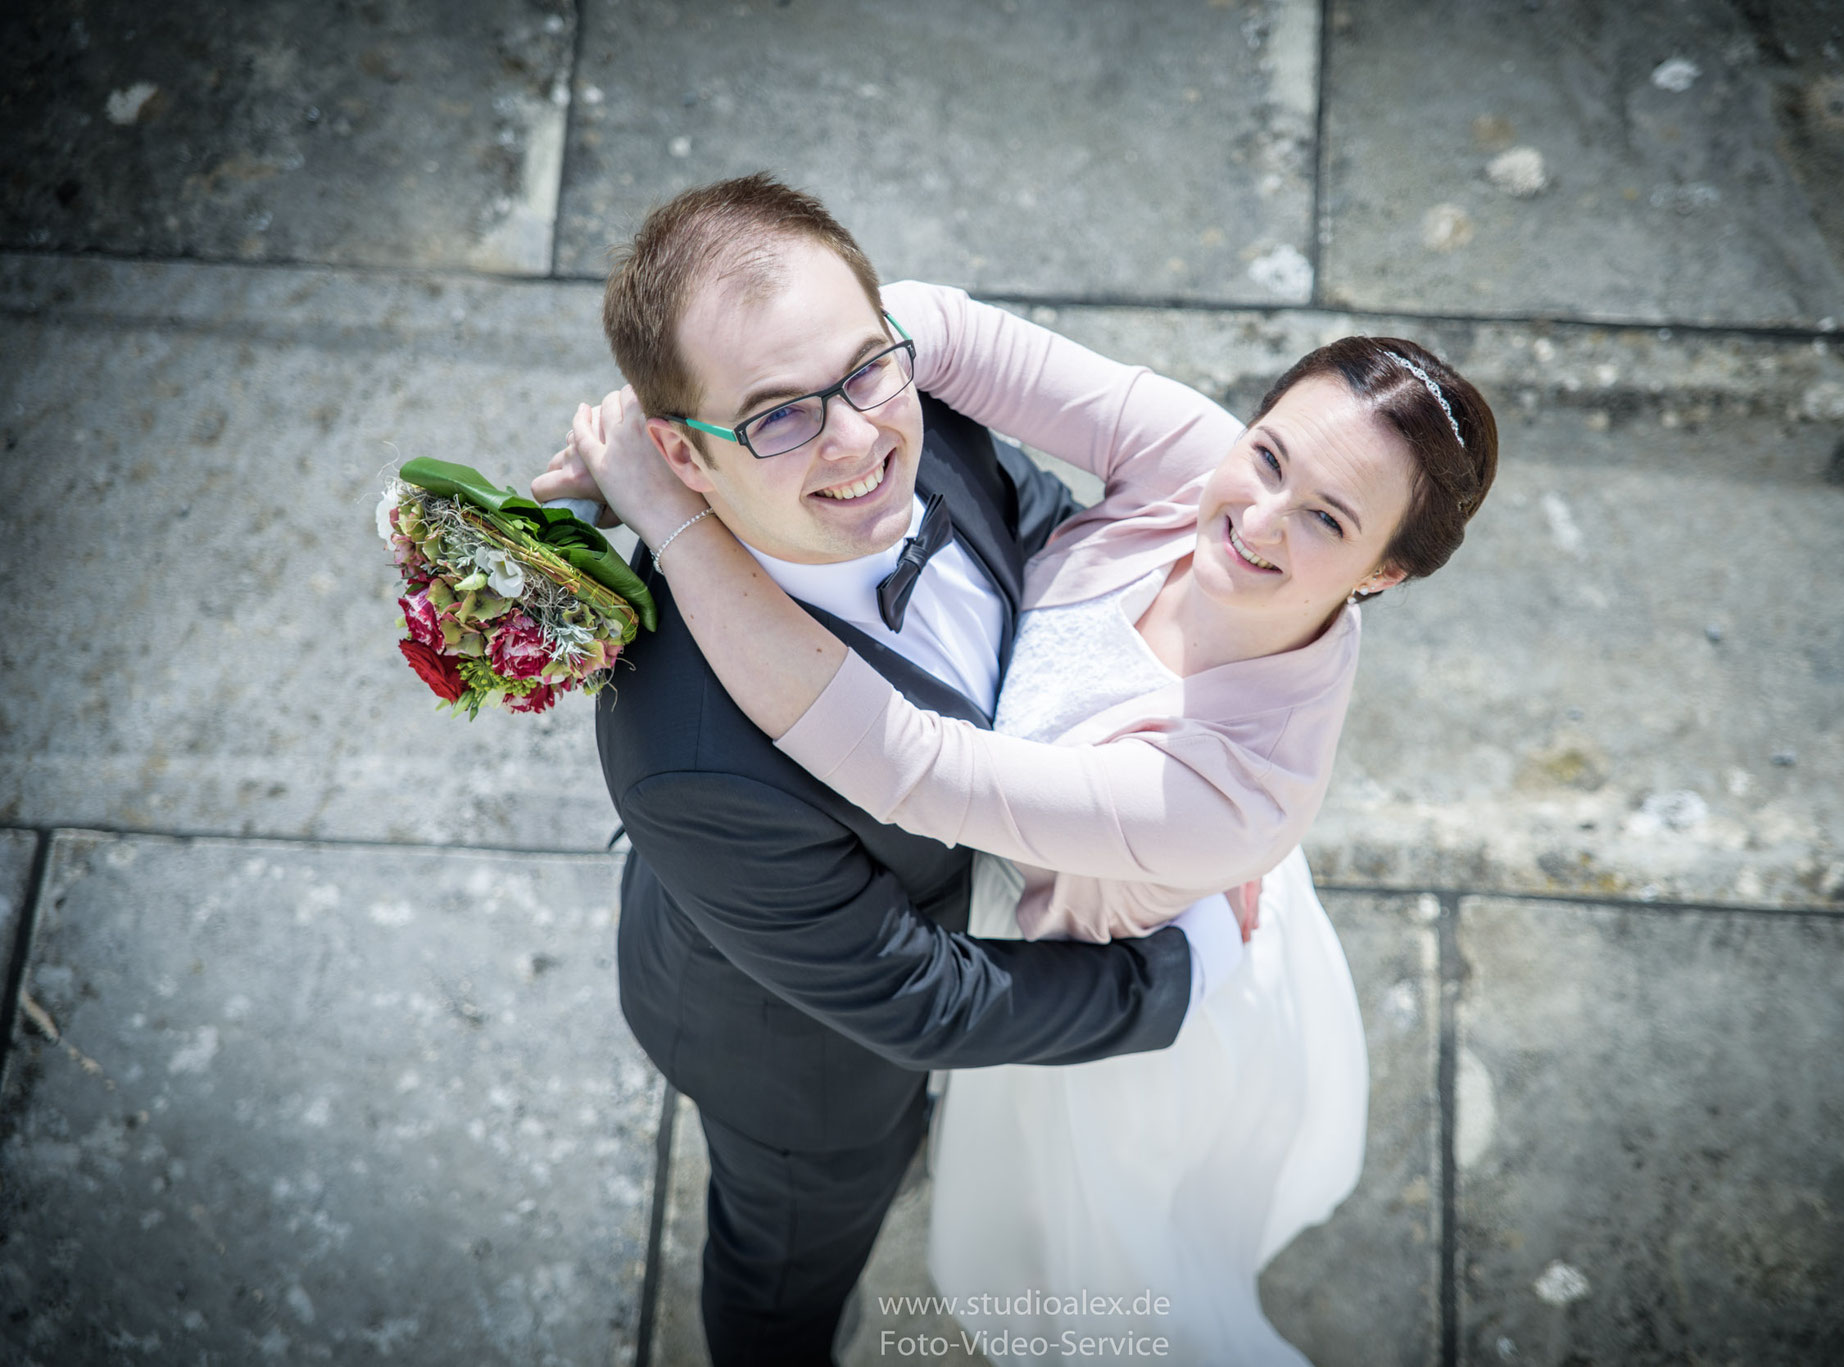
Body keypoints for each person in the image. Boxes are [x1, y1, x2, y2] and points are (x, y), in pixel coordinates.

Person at [552, 264, 1497, 1359]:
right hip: (779, 1021)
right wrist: (772, 395)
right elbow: (935, 325)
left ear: (1380, 572)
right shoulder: (1198, 463)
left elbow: (908, 764)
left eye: (1326, 518)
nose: (1255, 518)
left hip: (1104, 980)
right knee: (787, 1260)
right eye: (1269, 454)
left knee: (1087, 1284)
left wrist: (670, 511)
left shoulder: (1230, 786)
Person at [530, 176, 1249, 1367]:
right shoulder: (693, 759)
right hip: (804, 1056)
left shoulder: (926, 416)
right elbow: (919, 998)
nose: (861, 441)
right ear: (677, 455)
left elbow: (1042, 540)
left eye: (867, 371)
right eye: (775, 416)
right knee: (787, 1266)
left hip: (957, 908)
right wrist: (1177, 969)